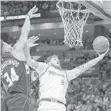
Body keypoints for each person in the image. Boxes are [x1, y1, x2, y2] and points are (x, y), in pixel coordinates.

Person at [24, 36, 109, 111]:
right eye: (54, 59)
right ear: (48, 62)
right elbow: (29, 61)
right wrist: (27, 47)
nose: (57, 60)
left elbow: (85, 66)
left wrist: (99, 58)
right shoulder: (45, 68)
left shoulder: (66, 74)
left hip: (60, 106)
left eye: (58, 60)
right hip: (46, 105)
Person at [1, 6, 38, 111]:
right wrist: (27, 17)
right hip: (20, 98)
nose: (9, 44)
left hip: (7, 100)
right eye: (6, 44)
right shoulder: (16, 52)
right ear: (5, 50)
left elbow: (5, 86)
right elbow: (24, 34)